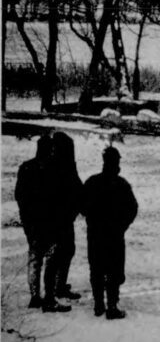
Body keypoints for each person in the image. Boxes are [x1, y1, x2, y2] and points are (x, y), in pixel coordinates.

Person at [15, 134, 70, 312]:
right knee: (51, 260)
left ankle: (34, 296)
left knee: (34, 259)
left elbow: (20, 196)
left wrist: (26, 218)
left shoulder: (26, 168)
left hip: (32, 223)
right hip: (50, 223)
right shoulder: (55, 169)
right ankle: (49, 298)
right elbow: (60, 198)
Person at [82, 146, 138, 319]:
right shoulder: (121, 184)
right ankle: (112, 306)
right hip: (114, 234)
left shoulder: (92, 182)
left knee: (96, 268)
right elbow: (132, 208)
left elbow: (82, 206)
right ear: (117, 163)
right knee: (114, 270)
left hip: (96, 234)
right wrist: (122, 225)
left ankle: (99, 304)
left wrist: (93, 220)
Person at [51, 132, 83, 301]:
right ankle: (58, 287)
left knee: (59, 252)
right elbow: (77, 188)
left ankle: (57, 285)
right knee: (65, 251)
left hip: (56, 215)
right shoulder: (67, 167)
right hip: (64, 217)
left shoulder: (50, 165)